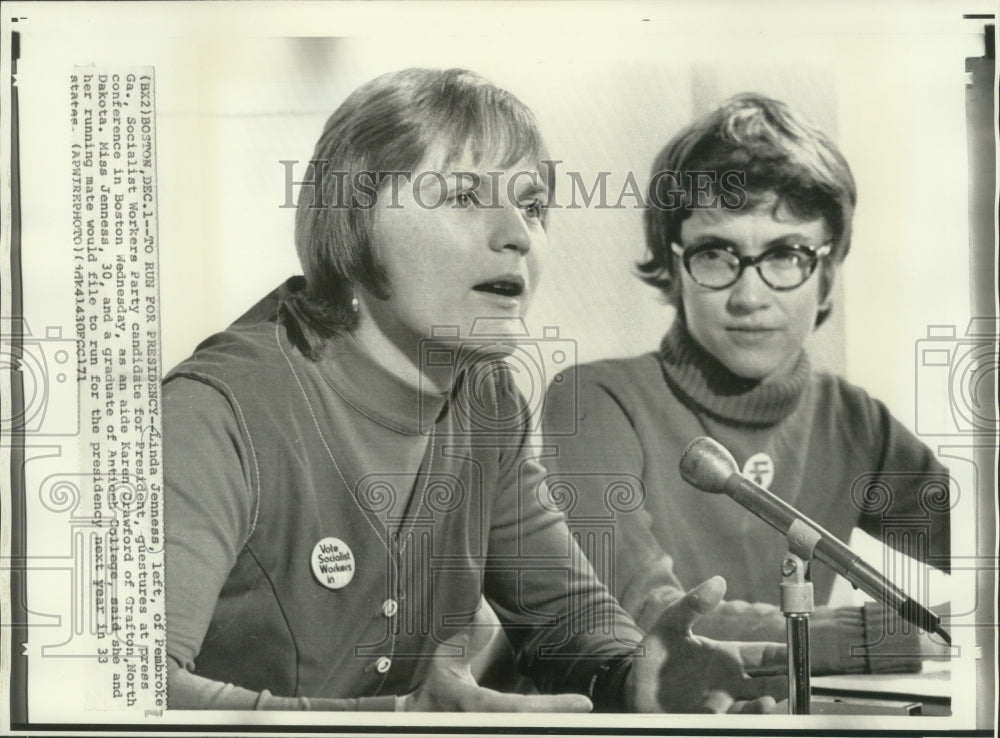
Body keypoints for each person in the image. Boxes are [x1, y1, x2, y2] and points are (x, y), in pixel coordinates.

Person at [164, 69, 787, 712]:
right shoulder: (211, 412)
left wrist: (635, 676)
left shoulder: (488, 399)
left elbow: (565, 620)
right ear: (352, 223)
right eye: (464, 195)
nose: (517, 234)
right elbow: (124, 695)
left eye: (533, 206)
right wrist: (400, 720)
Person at [542, 93, 951, 676]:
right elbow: (648, 617)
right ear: (675, 264)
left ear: (827, 277)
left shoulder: (856, 421)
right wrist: (881, 636)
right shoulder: (593, 403)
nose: (750, 296)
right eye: (716, 254)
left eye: (786, 255)